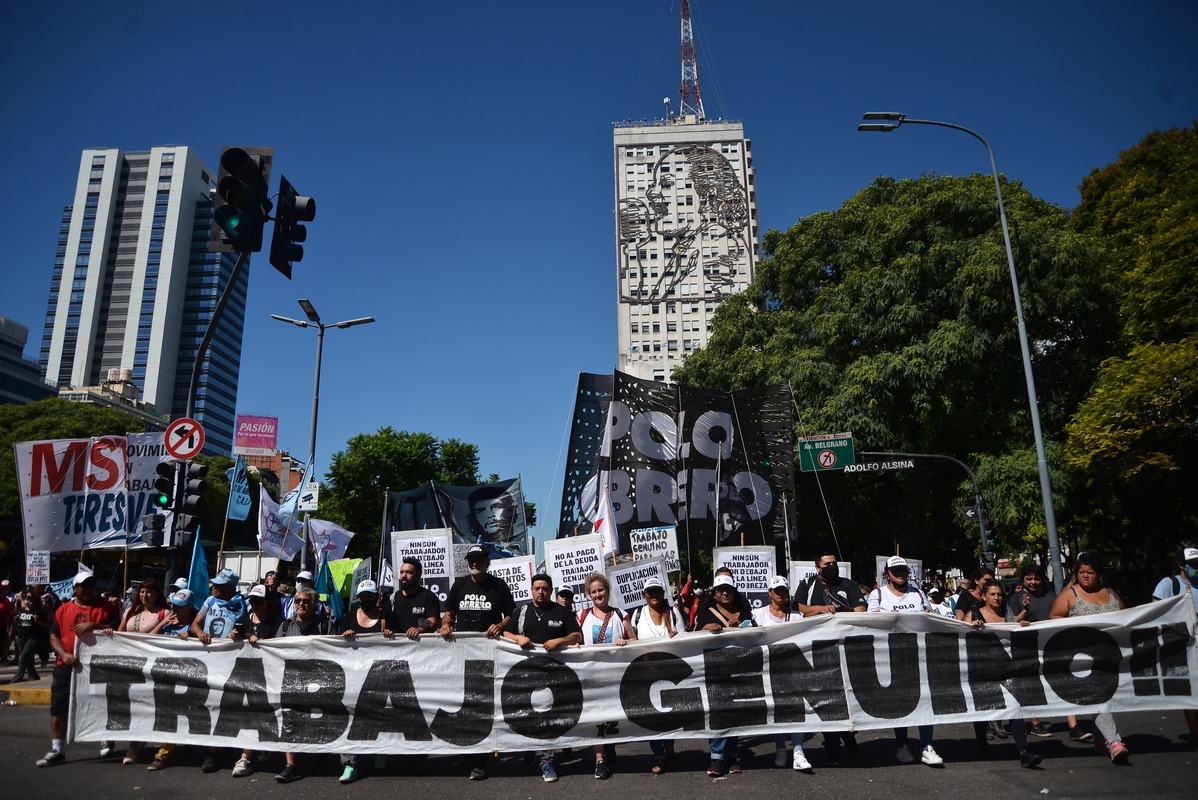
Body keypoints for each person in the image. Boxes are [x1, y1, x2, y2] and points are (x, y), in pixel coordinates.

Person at [440, 544, 515, 780]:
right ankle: (469, 751)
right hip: (461, 654)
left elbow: (511, 614)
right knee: (464, 703)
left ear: (487, 561)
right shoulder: (459, 585)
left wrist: (500, 625)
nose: (475, 563)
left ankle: (480, 760)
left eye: (479, 559)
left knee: (483, 704)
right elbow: (449, 613)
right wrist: (445, 624)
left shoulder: (498, 585)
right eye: (471, 559)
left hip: (488, 654)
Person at [1050, 553, 1130, 763]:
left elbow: (1125, 616)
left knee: (1107, 698)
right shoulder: (1070, 593)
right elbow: (1054, 618)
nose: (1085, 576)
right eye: (1081, 572)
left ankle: (1099, 740)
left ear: (1098, 574)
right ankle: (1114, 742)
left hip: (1110, 657)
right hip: (1083, 658)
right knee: (1099, 698)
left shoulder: (1109, 592)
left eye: (1090, 572)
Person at [503, 573, 583, 782]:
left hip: (554, 675)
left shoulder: (562, 612)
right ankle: (531, 747)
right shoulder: (520, 612)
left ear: (550, 590)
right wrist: (518, 637)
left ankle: (547, 762)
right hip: (526, 675)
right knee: (528, 716)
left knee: (548, 719)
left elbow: (577, 635)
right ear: (532, 590)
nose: (541, 592)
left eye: (545, 588)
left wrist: (559, 640)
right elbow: (506, 634)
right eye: (537, 588)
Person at [867, 556, 944, 767]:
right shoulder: (878, 594)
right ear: (887, 574)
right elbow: (869, 622)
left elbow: (932, 617)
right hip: (892, 656)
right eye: (895, 570)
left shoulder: (918, 593)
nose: (900, 574)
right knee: (901, 702)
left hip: (919, 654)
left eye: (903, 570)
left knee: (925, 699)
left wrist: (929, 614)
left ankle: (927, 745)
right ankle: (901, 745)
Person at [36, 572, 119, 767]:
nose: (89, 589)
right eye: (84, 586)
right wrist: (64, 655)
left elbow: (117, 632)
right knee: (59, 707)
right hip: (66, 665)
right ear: (75, 588)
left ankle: (106, 737)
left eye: (92, 584)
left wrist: (96, 625)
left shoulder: (107, 608)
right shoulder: (63, 610)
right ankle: (57, 749)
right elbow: (53, 637)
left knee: (100, 703)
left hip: (97, 666)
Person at [794, 551, 865, 765]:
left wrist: (841, 613)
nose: (832, 566)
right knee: (825, 697)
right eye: (827, 563)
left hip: (844, 649)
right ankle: (832, 745)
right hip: (817, 649)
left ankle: (847, 734)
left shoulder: (849, 585)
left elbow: (861, 611)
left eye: (834, 563)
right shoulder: (807, 584)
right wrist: (820, 610)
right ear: (818, 568)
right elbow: (799, 609)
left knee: (845, 696)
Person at [967, 579, 1042, 768]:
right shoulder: (973, 614)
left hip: (1007, 668)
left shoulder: (1007, 616)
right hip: (982, 670)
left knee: (1014, 707)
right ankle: (981, 742)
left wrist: (1022, 625)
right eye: (992, 594)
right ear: (983, 596)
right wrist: (970, 628)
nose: (996, 598)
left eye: (999, 594)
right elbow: (958, 634)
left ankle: (1023, 751)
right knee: (984, 709)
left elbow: (1013, 632)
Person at [335, 579, 396, 784]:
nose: (367, 599)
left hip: (380, 675)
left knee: (379, 714)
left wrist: (391, 636)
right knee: (350, 718)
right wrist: (344, 636)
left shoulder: (387, 617)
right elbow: (336, 644)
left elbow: (401, 645)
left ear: (376, 597)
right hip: (353, 675)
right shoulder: (348, 617)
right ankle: (350, 764)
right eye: (363, 596)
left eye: (371, 596)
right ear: (358, 598)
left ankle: (380, 750)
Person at [275, 586, 335, 783]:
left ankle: (321, 751)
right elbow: (273, 652)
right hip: (292, 681)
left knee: (319, 719)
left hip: (319, 682)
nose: (301, 604)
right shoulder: (284, 627)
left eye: (306, 601)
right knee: (289, 720)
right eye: (298, 600)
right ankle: (291, 765)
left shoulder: (326, 626)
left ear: (314, 604)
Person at [696, 573, 755, 776]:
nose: (724, 593)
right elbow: (694, 636)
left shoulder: (744, 613)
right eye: (720, 590)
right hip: (715, 669)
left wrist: (744, 627)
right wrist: (706, 628)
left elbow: (755, 635)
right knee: (718, 712)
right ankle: (717, 757)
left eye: (728, 589)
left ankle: (732, 755)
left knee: (734, 711)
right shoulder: (707, 612)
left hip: (738, 667)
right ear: (714, 593)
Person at [752, 576, 813, 772]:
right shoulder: (757, 615)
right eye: (776, 590)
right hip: (767, 670)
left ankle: (798, 751)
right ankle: (780, 749)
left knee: (795, 709)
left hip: (791, 670)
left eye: (783, 590)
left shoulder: (796, 617)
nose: (780, 594)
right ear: (769, 593)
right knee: (776, 710)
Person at [189, 568, 246, 773]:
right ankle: (213, 749)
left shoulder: (243, 604)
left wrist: (240, 634)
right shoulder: (210, 601)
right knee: (210, 702)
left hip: (231, 660)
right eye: (214, 584)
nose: (213, 587)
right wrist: (200, 632)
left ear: (230, 588)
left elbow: (247, 629)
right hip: (209, 660)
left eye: (219, 585)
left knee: (228, 705)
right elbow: (195, 624)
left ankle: (217, 750)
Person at [579, 571, 634, 779]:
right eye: (593, 592)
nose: (597, 595)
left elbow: (635, 640)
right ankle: (599, 760)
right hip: (591, 676)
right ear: (588, 594)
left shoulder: (621, 614)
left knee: (611, 717)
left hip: (615, 676)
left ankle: (609, 744)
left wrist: (626, 641)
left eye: (600, 590)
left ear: (607, 591)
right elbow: (574, 637)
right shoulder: (581, 616)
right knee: (594, 718)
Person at [629, 575, 685, 774]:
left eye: (657, 591)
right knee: (651, 717)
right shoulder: (637, 615)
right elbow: (631, 642)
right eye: (650, 592)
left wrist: (677, 637)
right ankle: (658, 755)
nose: (654, 595)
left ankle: (669, 749)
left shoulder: (674, 613)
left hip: (670, 674)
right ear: (645, 596)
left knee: (669, 715)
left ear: (663, 594)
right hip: (646, 674)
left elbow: (685, 641)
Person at [144, 589, 199, 771]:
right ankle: (186, 744)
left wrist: (189, 638)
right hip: (162, 678)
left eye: (180, 606)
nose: (174, 608)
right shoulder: (167, 624)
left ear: (190, 608)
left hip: (183, 682)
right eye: (173, 604)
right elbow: (148, 640)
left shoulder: (192, 628)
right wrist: (162, 623)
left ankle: (162, 755)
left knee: (175, 716)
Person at [115, 577, 168, 765]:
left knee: (148, 706)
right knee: (133, 706)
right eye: (142, 592)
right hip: (131, 666)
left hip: (152, 667)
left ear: (157, 594)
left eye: (149, 592)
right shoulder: (130, 611)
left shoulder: (163, 614)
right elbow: (120, 634)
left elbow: (153, 640)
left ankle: (139, 746)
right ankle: (133, 744)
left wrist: (161, 624)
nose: (145, 595)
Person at [1151, 543, 1198, 741]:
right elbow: (1155, 612)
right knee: (1192, 692)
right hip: (1184, 646)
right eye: (1192, 563)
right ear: (1181, 564)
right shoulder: (1169, 584)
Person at [1009, 563, 1059, 738]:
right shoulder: (1016, 599)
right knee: (1029, 684)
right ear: (1023, 581)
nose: (1033, 582)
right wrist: (1025, 611)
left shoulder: (1052, 597)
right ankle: (1035, 723)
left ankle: (1073, 724)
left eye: (1036, 578)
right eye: (1028, 578)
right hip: (1027, 648)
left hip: (1052, 647)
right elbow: (1011, 622)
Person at [391, 557, 441, 640]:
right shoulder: (394, 598)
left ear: (418, 575)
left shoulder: (429, 597)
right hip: (398, 647)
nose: (404, 575)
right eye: (402, 572)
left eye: (409, 572)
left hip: (420, 647)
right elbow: (388, 624)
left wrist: (419, 629)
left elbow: (433, 622)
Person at [11, 588, 51, 682]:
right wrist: (16, 619)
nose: (26, 599)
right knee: (27, 659)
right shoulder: (22, 609)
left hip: (33, 637)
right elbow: (18, 620)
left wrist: (38, 621)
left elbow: (48, 625)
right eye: (25, 597)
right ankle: (33, 676)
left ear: (34, 599)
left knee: (23, 657)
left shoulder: (39, 611)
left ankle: (18, 676)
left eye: (29, 597)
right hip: (21, 636)